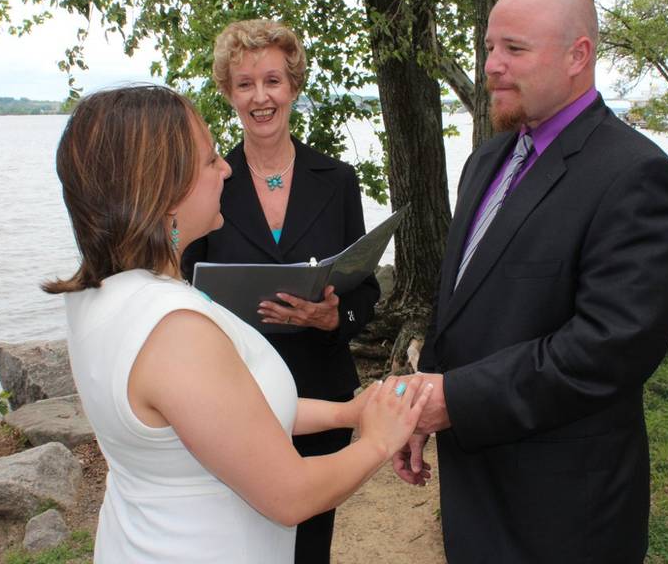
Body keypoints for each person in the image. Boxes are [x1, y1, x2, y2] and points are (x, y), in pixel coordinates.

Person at [43, 85, 431, 563]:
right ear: (165, 189)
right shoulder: (174, 330)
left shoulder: (98, 293)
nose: (225, 169)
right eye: (210, 161)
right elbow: (291, 495)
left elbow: (226, 416)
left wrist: (345, 413)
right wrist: (378, 440)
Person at [391, 0, 668, 563]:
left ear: (579, 55)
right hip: (475, 488)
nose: (492, 66)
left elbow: (611, 348)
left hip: (564, 508)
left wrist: (456, 398)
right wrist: (423, 409)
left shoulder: (636, 176)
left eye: (515, 49)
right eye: (488, 47)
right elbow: (460, 303)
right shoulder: (487, 160)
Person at [180, 19, 380, 563]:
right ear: (228, 93)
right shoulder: (205, 183)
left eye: (272, 81)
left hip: (321, 386)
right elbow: (179, 285)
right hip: (231, 397)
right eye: (245, 84)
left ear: (293, 86)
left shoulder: (337, 179)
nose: (260, 97)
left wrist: (335, 317)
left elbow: (365, 288)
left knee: (310, 547)